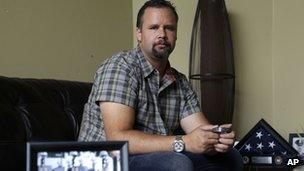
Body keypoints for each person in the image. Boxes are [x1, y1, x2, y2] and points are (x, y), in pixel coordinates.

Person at [78, 0, 243, 170]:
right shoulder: (120, 67)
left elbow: (200, 130)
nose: (162, 34)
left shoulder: (179, 82)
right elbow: (117, 140)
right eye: (154, 27)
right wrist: (185, 141)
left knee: (231, 157)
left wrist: (216, 140)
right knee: (176, 163)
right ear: (139, 33)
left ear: (176, 35)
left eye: (169, 28)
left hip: (155, 156)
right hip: (104, 160)